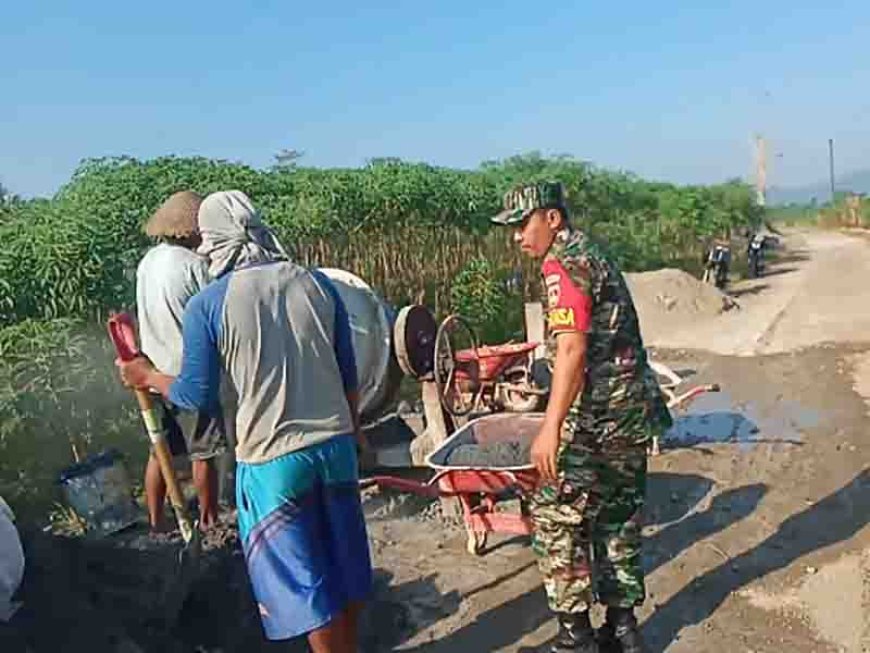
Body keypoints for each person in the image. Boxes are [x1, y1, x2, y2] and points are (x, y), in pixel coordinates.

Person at [118, 190, 372, 653]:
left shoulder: (210, 304)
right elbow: (348, 374)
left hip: (274, 462)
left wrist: (147, 375)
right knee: (344, 571)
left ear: (212, 240)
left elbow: (195, 393)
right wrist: (355, 433)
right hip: (335, 448)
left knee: (309, 590)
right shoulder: (317, 284)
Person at [492, 182, 672, 653]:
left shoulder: (562, 262)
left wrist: (549, 428)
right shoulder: (592, 252)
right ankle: (623, 628)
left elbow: (571, 348)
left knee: (553, 514)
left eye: (522, 224)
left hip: (597, 416)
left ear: (552, 218)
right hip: (631, 412)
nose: (517, 236)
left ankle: (575, 637)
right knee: (618, 517)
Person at [137, 190, 228, 531]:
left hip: (152, 371)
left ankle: (156, 522)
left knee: (159, 449)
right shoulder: (193, 266)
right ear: (191, 230)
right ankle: (210, 521)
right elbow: (215, 314)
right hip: (188, 372)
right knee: (204, 451)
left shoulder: (147, 263)